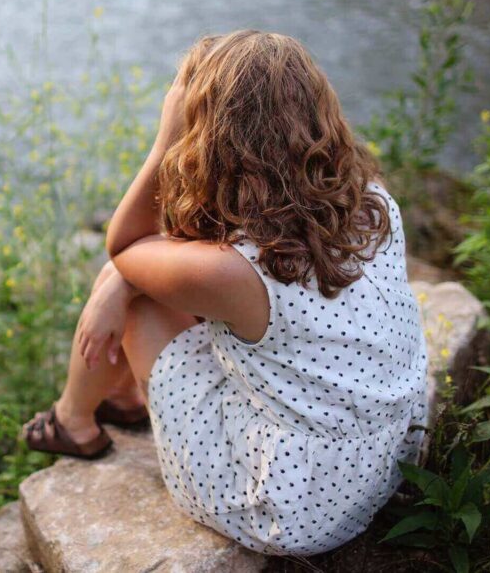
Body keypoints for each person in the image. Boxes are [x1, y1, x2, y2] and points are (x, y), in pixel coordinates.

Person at [21, 30, 427, 556]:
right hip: (386, 458)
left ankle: (74, 421)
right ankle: (119, 398)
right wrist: (126, 275)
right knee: (137, 277)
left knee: (136, 295)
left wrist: (166, 137)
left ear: (210, 132)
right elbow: (181, 257)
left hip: (294, 508)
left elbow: (124, 245)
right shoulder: (371, 202)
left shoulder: (236, 272)